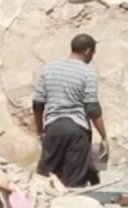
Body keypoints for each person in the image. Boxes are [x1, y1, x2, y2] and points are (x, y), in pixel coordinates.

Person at [32, 34, 107, 188]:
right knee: (74, 182)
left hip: (53, 127)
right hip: (77, 131)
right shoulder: (88, 72)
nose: (92, 57)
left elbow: (38, 103)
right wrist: (104, 136)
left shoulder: (48, 68)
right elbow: (92, 107)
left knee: (43, 178)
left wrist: (40, 131)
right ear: (87, 51)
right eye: (92, 53)